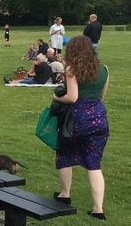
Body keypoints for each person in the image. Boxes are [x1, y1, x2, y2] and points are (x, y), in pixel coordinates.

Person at [52, 36, 109, 220]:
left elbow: (72, 97)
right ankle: (98, 209)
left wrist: (56, 98)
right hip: (99, 118)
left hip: (76, 119)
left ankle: (65, 194)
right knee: (94, 164)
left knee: (65, 154)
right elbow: (101, 96)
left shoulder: (72, 69)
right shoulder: (104, 69)